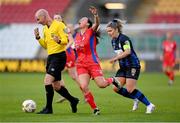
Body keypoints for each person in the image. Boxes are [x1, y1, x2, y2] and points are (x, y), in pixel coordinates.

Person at [74, 6, 121, 115]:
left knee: (102, 85)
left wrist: (95, 15)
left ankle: (112, 80)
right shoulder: (76, 35)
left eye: (83, 19)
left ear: (87, 24)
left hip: (92, 63)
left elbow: (97, 24)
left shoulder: (90, 31)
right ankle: (95, 109)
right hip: (81, 65)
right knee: (83, 86)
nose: (80, 20)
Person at [34, 9, 79, 114]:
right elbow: (46, 45)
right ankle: (73, 100)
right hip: (50, 57)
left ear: (44, 16)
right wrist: (38, 38)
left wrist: (58, 40)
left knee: (47, 81)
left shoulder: (59, 25)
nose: (38, 22)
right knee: (56, 86)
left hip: (59, 57)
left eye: (38, 19)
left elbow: (65, 40)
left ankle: (48, 108)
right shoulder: (45, 29)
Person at [106, 19, 155, 114]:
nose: (108, 33)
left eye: (110, 31)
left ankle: (149, 105)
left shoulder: (124, 39)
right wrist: (116, 61)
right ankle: (135, 98)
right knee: (116, 88)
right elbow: (120, 53)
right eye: (107, 31)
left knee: (130, 89)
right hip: (123, 67)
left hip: (133, 65)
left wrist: (115, 58)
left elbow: (127, 52)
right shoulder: (113, 41)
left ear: (116, 29)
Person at [53, 14, 81, 103]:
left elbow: (71, 40)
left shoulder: (64, 28)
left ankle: (86, 93)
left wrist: (64, 48)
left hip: (67, 54)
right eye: (55, 18)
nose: (57, 19)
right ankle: (64, 94)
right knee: (56, 74)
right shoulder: (53, 29)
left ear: (61, 19)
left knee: (74, 76)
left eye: (58, 18)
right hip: (58, 55)